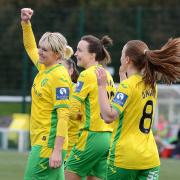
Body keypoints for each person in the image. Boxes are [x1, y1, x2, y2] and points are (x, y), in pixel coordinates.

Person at [96, 39, 180, 180]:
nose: (121, 57)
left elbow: (109, 116)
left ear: (127, 60)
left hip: (126, 159)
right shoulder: (151, 85)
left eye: (122, 54)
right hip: (150, 158)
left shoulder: (127, 86)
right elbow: (132, 99)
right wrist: (123, 76)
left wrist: (101, 86)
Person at [21, 8, 73, 180]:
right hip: (43, 142)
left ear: (57, 54)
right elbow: (30, 46)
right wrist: (26, 24)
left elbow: (63, 115)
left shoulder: (59, 76)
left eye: (45, 50)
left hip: (48, 144)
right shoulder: (44, 67)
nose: (40, 52)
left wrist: (57, 150)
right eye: (41, 48)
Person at [65, 35, 116, 180]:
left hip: (91, 136)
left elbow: (73, 109)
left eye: (80, 50)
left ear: (92, 55)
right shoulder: (106, 75)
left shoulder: (86, 75)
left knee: (68, 174)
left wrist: (57, 118)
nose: (75, 54)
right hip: (107, 139)